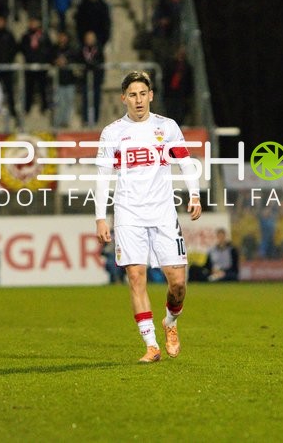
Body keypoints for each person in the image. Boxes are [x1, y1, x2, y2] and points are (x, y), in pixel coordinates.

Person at [95, 70, 202, 363]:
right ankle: (151, 345)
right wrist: (100, 217)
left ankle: (170, 321)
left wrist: (194, 194)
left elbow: (185, 162)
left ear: (151, 96)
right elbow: (103, 176)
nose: (138, 100)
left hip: (163, 213)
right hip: (128, 213)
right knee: (135, 275)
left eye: (143, 94)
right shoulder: (113, 132)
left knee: (177, 283)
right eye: (132, 94)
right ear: (124, 98)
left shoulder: (166, 128)